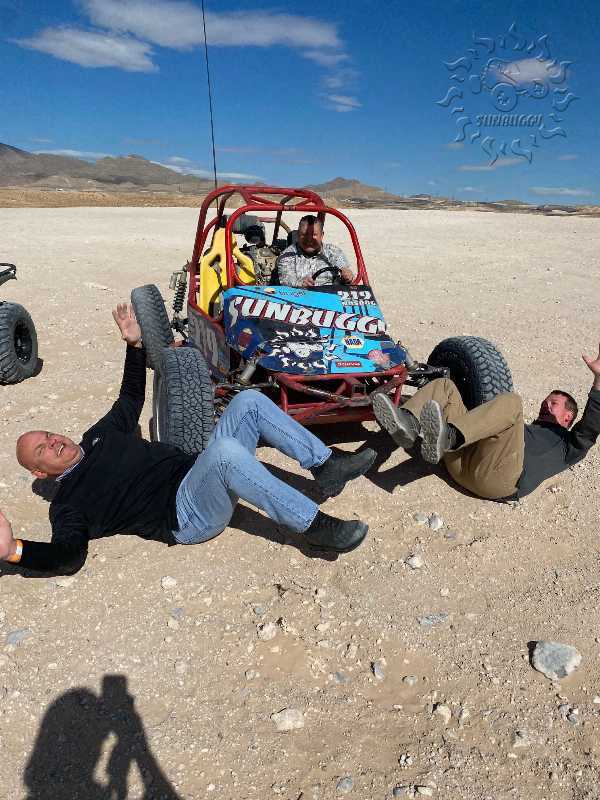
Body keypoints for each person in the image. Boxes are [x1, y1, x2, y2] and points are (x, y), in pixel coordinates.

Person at [0, 304, 376, 575]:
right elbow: (68, 556)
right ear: (41, 472)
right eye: (42, 450)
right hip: (187, 514)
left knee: (247, 402)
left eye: (47, 435)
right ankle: (316, 529)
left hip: (198, 473)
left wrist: (134, 345)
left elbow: (130, 399)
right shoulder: (68, 503)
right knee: (225, 453)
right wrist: (15, 550)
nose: (53, 442)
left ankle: (326, 466)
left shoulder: (98, 436)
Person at [373, 346, 600, 500]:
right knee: (446, 386)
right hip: (460, 463)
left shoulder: (568, 445)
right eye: (545, 401)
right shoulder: (523, 430)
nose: (545, 405)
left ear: (568, 416)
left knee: (513, 402)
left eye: (553, 403)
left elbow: (590, 428)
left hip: (496, 481)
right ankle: (407, 423)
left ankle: (448, 437)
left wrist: (599, 380)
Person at [276, 215, 354, 288]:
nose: (309, 239)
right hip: (300, 294)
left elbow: (344, 268)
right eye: (304, 234)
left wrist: (347, 275)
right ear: (298, 235)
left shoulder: (333, 251)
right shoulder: (287, 255)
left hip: (331, 294)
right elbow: (286, 280)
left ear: (322, 235)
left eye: (314, 234)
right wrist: (300, 283)